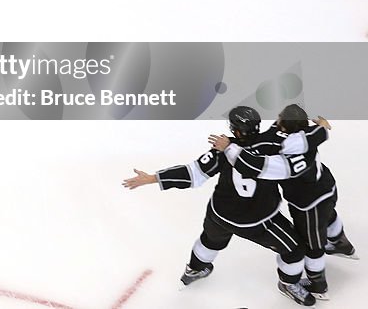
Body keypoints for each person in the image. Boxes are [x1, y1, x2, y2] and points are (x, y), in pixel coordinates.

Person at [122, 106, 316, 306]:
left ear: (236, 129)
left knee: (209, 240)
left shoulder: (222, 149)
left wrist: (153, 178)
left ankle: (195, 269)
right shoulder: (271, 145)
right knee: (294, 250)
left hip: (219, 215)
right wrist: (316, 129)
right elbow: (290, 147)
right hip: (257, 222)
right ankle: (288, 283)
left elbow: (193, 174)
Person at [210, 105, 356, 300]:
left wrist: (229, 147)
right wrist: (322, 126)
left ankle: (318, 284)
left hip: (308, 203)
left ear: (284, 127)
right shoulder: (307, 135)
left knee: (313, 245)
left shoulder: (282, 147)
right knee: (329, 216)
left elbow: (255, 166)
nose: (275, 121)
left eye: (279, 119)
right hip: (327, 187)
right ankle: (340, 243)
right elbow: (320, 132)